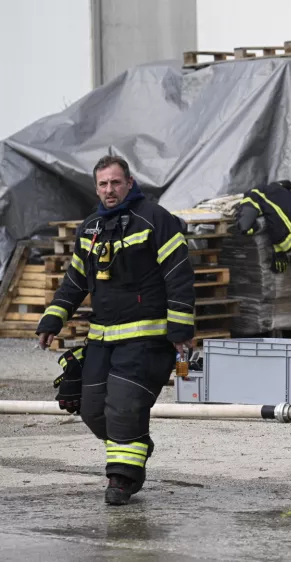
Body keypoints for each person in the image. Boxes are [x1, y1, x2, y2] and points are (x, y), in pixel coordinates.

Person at [37, 155, 196, 505]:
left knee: (124, 408)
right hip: (102, 339)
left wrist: (181, 326)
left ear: (129, 182)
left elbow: (178, 274)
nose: (110, 190)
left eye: (116, 182)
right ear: (96, 188)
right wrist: (53, 318)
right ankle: (136, 442)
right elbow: (74, 281)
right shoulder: (90, 227)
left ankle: (123, 480)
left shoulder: (155, 219)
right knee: (93, 410)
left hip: (147, 339)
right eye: (103, 184)